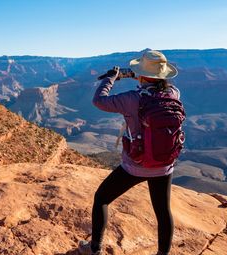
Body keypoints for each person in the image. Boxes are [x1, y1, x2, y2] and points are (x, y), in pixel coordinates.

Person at [78, 50, 184, 255]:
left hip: (135, 166)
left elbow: (99, 100)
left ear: (141, 75)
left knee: (102, 198)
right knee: (163, 211)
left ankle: (95, 250)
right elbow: (154, 83)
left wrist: (112, 78)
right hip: (164, 166)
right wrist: (137, 74)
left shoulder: (132, 99)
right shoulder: (174, 94)